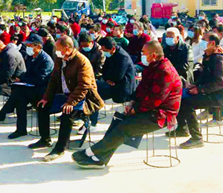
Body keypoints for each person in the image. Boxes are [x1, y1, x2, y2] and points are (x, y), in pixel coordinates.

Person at [72, 40, 182, 169]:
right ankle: (100, 159)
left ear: (153, 55)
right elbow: (141, 89)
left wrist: (135, 110)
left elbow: (155, 100)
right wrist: (132, 102)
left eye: (144, 53)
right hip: (148, 108)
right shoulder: (153, 67)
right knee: (118, 121)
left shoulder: (164, 71)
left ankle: (91, 152)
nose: (142, 55)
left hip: (161, 114)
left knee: (124, 128)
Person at [28, 36, 104, 162]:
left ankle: (60, 148)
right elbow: (53, 80)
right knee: (42, 106)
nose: (56, 50)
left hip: (83, 98)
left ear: (67, 48)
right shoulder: (59, 59)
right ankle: (45, 139)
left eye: (58, 48)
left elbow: (84, 86)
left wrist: (70, 102)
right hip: (66, 95)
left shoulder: (81, 61)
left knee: (66, 114)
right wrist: (46, 98)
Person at [175, 34, 223, 149]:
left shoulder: (219, 59)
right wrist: (194, 85)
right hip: (211, 91)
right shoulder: (209, 57)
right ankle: (182, 129)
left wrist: (199, 90)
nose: (201, 42)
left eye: (204, 40)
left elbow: (220, 83)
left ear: (212, 43)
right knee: (180, 97)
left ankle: (197, 138)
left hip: (220, 94)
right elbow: (205, 76)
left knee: (187, 103)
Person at [0, 34, 54, 134]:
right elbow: (28, 73)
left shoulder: (46, 60)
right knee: (19, 96)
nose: (27, 48)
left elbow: (41, 80)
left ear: (38, 46)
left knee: (18, 93)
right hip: (32, 87)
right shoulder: (31, 57)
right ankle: (20, 129)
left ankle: (2, 113)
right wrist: (21, 80)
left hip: (43, 91)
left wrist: (23, 79)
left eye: (30, 45)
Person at [89, 37, 136, 128]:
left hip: (122, 89)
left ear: (113, 48)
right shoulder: (111, 54)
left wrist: (110, 78)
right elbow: (104, 71)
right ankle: (90, 119)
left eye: (105, 50)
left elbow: (118, 76)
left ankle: (92, 123)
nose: (103, 52)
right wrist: (108, 79)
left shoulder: (123, 57)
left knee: (94, 92)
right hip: (113, 83)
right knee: (92, 88)